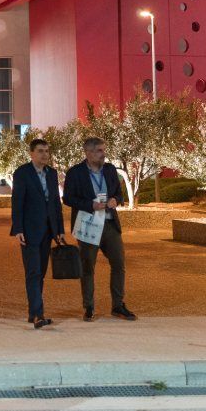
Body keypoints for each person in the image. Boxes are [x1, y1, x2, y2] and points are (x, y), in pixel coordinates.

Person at [63, 137, 137, 322]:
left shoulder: (110, 170)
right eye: (99, 151)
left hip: (110, 224)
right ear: (88, 153)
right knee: (87, 268)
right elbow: (68, 199)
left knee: (119, 264)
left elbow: (118, 194)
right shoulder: (75, 172)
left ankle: (118, 305)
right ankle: (88, 307)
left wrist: (115, 200)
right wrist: (90, 204)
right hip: (88, 225)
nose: (103, 154)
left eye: (104, 150)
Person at [11, 139, 66, 328]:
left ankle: (33, 312)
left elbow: (56, 204)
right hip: (29, 231)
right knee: (33, 272)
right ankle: (38, 314)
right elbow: (17, 202)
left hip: (48, 231)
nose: (45, 154)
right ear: (31, 153)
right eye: (41, 151)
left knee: (40, 273)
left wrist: (59, 230)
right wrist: (17, 228)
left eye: (47, 151)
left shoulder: (52, 174)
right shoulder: (22, 173)